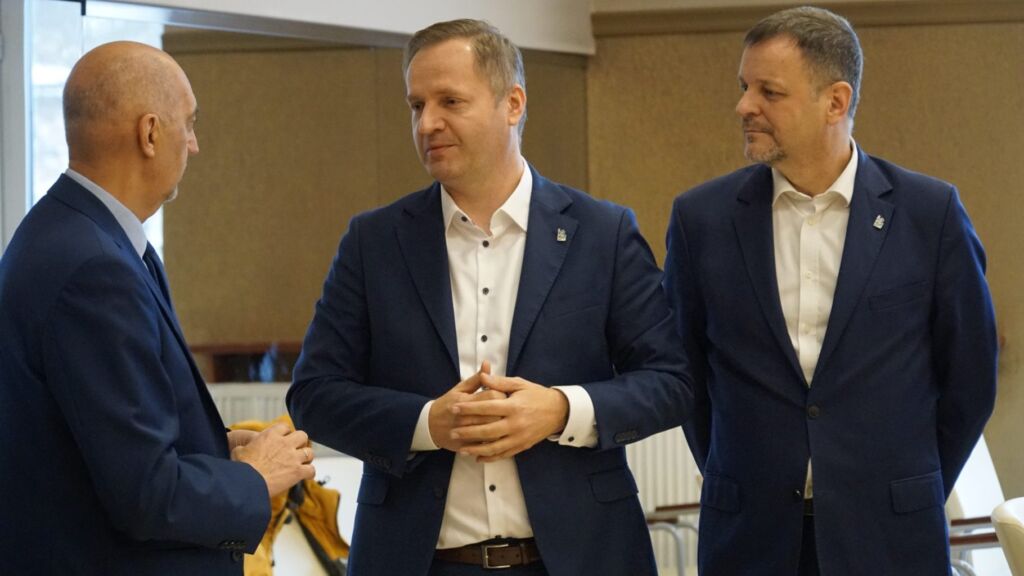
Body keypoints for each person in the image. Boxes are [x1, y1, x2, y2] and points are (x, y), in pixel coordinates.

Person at [288, 19, 692, 576]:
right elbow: (314, 395)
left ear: (513, 104)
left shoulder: (603, 233)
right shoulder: (373, 242)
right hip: (420, 561)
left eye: (450, 101)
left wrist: (560, 410)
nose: (428, 123)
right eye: (416, 105)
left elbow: (671, 382)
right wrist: (428, 424)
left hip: (579, 558)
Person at [664, 6, 997, 575]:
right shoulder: (702, 219)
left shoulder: (929, 213)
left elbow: (970, 376)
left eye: (769, 92)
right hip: (750, 538)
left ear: (835, 102)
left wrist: (907, 484)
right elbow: (686, 373)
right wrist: (740, 475)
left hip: (891, 539)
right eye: (744, 87)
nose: (744, 107)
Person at [0, 41, 315, 575]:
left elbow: (96, 441)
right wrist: (255, 476)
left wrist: (215, 450)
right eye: (188, 125)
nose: (194, 145)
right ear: (149, 133)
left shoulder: (75, 236)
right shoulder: (94, 267)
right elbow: (145, 494)